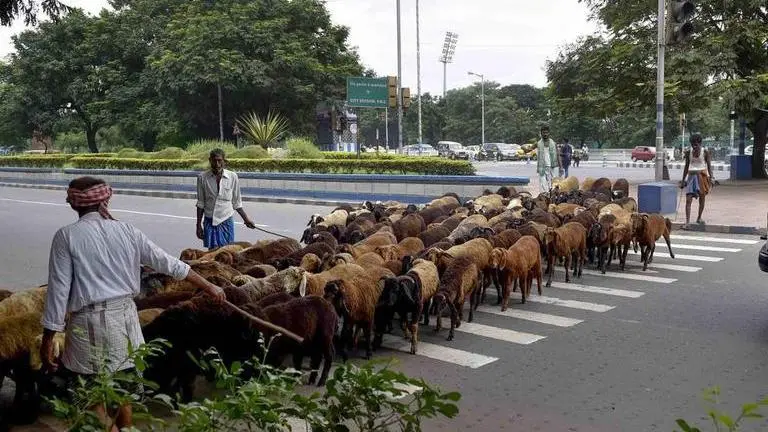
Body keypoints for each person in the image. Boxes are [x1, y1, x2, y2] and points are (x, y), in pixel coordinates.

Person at [41, 176, 227, 432]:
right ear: (105, 199)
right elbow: (170, 264)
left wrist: (48, 339)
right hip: (126, 323)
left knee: (91, 399)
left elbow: (58, 291)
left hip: (89, 326)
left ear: (74, 204)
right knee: (123, 391)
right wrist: (210, 286)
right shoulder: (127, 230)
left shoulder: (66, 236)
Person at [196, 148, 256, 250]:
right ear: (210, 160)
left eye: (220, 160)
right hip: (210, 221)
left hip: (226, 220)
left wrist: (246, 219)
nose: (217, 164)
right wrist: (198, 226)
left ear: (224, 161)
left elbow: (236, 202)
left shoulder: (233, 177)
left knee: (228, 252)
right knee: (212, 253)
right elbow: (201, 203)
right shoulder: (202, 178)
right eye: (214, 160)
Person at [679, 133, 713, 229]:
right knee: (688, 199)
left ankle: (699, 217)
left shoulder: (705, 152)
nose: (694, 146)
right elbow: (686, 166)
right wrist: (683, 180)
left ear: (700, 143)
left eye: (696, 144)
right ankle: (687, 222)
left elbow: (709, 166)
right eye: (692, 144)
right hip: (691, 177)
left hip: (702, 177)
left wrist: (712, 178)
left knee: (702, 198)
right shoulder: (688, 152)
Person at [536, 125, 561, 193]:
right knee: (543, 183)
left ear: (549, 133)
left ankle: (553, 195)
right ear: (541, 133)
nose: (545, 134)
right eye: (543, 132)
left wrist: (561, 167)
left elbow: (558, 155)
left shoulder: (553, 143)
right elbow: (529, 149)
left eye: (546, 132)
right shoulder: (538, 143)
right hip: (542, 167)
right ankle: (545, 195)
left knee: (553, 183)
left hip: (552, 166)